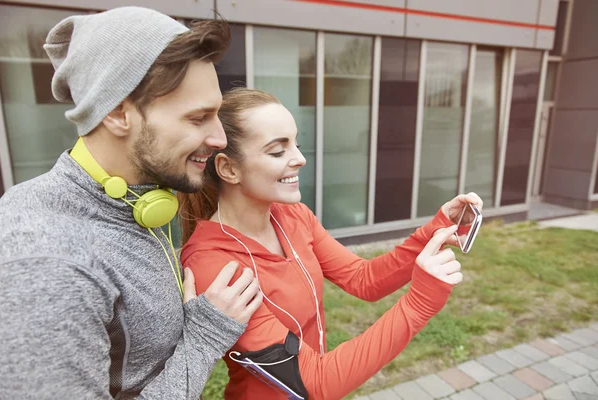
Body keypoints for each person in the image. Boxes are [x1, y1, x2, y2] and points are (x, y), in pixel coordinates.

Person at [0, 7, 263, 399]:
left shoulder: (136, 197)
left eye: (217, 114)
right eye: (197, 118)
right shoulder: (49, 265)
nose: (220, 138)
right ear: (118, 114)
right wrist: (205, 335)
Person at [178, 88, 484, 399]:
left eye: (295, 144)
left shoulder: (293, 215)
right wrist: (419, 304)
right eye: (277, 151)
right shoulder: (213, 264)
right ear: (229, 169)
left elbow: (364, 279)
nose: (300, 159)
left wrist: (437, 227)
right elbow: (315, 381)